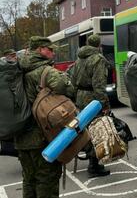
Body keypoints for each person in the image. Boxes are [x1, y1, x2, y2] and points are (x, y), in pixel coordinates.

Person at [15, 36, 75, 198]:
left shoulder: (18, 69)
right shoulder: (44, 70)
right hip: (42, 137)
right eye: (50, 49)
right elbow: (66, 88)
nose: (53, 53)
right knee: (46, 179)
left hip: (20, 137)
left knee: (28, 179)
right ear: (40, 50)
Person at [70, 34, 111, 177]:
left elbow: (73, 80)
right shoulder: (98, 59)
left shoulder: (79, 58)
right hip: (93, 99)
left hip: (81, 97)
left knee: (86, 129)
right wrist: (104, 104)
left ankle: (90, 157)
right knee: (97, 130)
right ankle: (94, 165)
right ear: (99, 45)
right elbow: (99, 85)